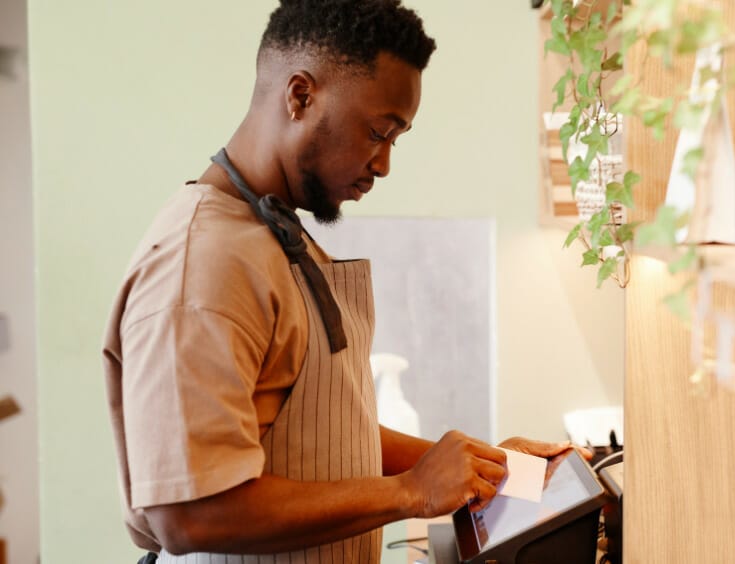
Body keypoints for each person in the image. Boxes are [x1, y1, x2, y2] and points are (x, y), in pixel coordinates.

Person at [102, 1, 576, 562]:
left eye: (396, 138)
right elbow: (190, 514)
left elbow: (322, 437)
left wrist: (487, 468)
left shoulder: (270, 232)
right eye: (378, 132)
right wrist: (411, 492)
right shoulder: (204, 264)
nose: (383, 164)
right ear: (300, 96)